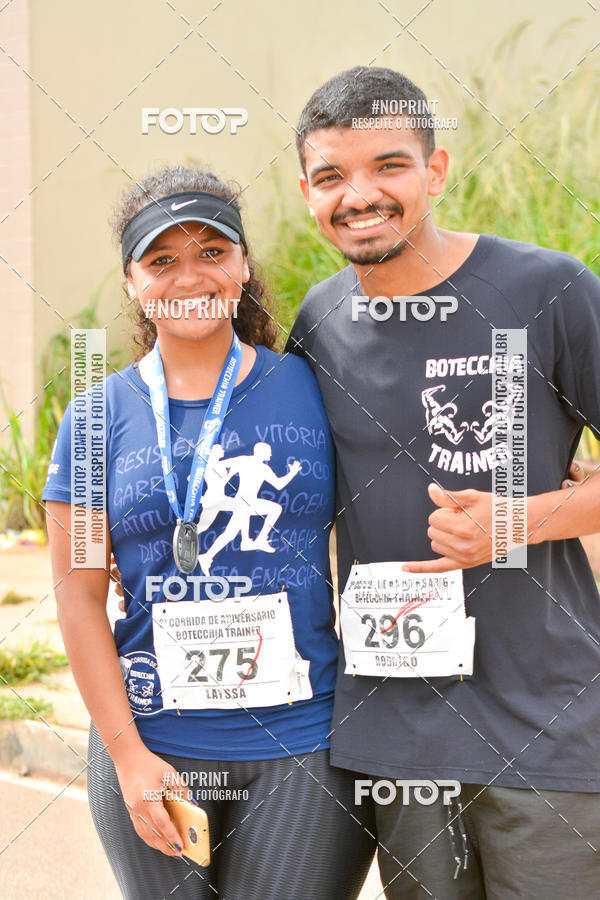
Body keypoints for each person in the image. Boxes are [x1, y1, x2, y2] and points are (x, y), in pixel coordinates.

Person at [287, 66, 600, 898]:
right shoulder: (317, 321)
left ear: (437, 169)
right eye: (330, 177)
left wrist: (521, 519)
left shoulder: (549, 289)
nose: (359, 195)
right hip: (398, 733)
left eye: (389, 165)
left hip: (548, 723)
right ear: (308, 194)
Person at [43, 166, 375, 900]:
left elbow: (403, 461)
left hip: (304, 746)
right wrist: (128, 756)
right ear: (132, 281)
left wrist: (540, 463)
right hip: (154, 744)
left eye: (212, 252)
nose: (190, 276)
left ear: (244, 266)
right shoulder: (96, 419)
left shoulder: (311, 385)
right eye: (162, 260)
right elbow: (78, 600)